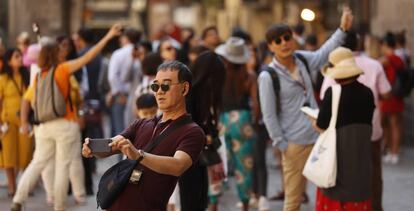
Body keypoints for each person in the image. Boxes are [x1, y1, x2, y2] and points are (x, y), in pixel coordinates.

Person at [11, 24, 122, 211]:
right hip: (65, 124)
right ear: (56, 53)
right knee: (63, 165)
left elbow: (28, 101)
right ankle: (59, 205)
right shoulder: (63, 70)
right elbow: (88, 56)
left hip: (44, 126)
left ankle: (18, 200)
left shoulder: (39, 76)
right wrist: (109, 35)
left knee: (37, 163)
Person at [257, 7, 353, 211]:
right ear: (271, 46)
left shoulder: (301, 59)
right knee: (293, 200)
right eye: (278, 41)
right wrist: (282, 144)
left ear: (292, 39)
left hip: (319, 137)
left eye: (286, 38)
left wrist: (342, 30)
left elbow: (323, 53)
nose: (284, 43)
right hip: (294, 144)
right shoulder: (267, 76)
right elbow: (268, 114)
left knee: (328, 192)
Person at [82, 61, 205, 211]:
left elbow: (178, 165)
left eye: (166, 85)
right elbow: (113, 145)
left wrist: (139, 155)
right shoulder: (141, 123)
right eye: (155, 86)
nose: (159, 91)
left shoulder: (192, 131)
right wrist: (93, 147)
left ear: (184, 88)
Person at [320, 31, 392, 211]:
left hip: (340, 139)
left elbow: (324, 101)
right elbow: (387, 93)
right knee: (372, 172)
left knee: (341, 175)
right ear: (358, 44)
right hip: (370, 132)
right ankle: (374, 207)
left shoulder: (333, 84)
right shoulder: (374, 67)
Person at [313, 47, 375, 211]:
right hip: (360, 161)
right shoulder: (368, 93)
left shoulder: (332, 93)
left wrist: (313, 120)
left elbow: (321, 126)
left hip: (338, 162)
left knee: (336, 196)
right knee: (358, 194)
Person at [216, 37, 260, 211]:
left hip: (223, 120)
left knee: (219, 164)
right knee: (245, 165)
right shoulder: (249, 76)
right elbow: (256, 104)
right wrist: (254, 123)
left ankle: (213, 203)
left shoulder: (219, 77)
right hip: (242, 119)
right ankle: (245, 205)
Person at [179, 51, 226, 211]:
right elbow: (186, 125)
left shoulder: (199, 93)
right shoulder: (189, 94)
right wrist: (204, 136)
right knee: (192, 199)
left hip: (198, 156)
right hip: (187, 155)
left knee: (199, 199)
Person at [0, 48, 33, 197]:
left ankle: (24, 184)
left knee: (26, 154)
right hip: (7, 123)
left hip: (24, 121)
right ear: (9, 61)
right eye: (16, 56)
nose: (20, 59)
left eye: (20, 56)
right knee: (8, 155)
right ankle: (12, 187)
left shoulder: (27, 77)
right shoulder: (2, 79)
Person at [107, 28, 141, 137]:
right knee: (137, 130)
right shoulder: (141, 51)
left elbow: (112, 76)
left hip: (121, 96)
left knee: (120, 132)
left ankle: (121, 154)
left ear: (125, 38)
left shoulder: (118, 53)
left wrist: (117, 93)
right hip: (138, 94)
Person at [379, 32, 405, 165]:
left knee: (392, 124)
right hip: (396, 95)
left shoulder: (388, 59)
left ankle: (393, 152)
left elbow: (376, 65)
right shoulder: (400, 58)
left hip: (390, 95)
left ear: (385, 45)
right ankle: (393, 151)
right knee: (393, 124)